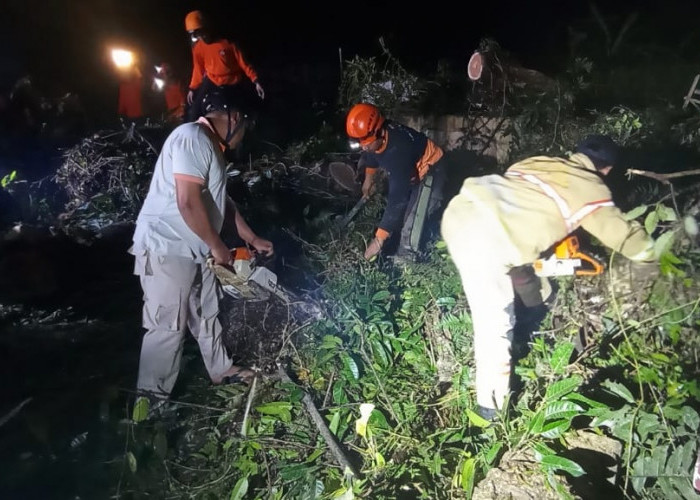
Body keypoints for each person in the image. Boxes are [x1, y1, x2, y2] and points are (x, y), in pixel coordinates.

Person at [440, 135, 658, 419]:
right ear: (607, 169)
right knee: (494, 324)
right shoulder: (591, 187)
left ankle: (536, 310)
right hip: (486, 239)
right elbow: (624, 237)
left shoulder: (538, 161)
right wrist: (656, 255)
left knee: (521, 267)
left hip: (460, 210)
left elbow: (522, 205)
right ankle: (490, 411)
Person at [129, 87, 274, 412]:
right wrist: (218, 246)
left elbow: (220, 201)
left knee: (206, 312)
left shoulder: (211, 149)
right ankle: (149, 407)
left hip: (194, 248)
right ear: (234, 118)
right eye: (245, 126)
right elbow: (187, 200)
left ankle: (221, 369)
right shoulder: (192, 137)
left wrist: (251, 238)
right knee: (167, 325)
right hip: (167, 246)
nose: (243, 136)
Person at [345, 103, 447, 261]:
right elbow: (372, 155)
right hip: (411, 172)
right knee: (398, 221)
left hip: (432, 170)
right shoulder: (378, 139)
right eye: (360, 142)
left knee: (410, 227)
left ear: (379, 132)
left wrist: (378, 241)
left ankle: (406, 265)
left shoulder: (397, 150)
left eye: (366, 142)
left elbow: (397, 199)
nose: (363, 148)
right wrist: (368, 180)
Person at [184, 10, 264, 122]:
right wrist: (192, 88)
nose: (202, 37)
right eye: (197, 35)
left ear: (207, 28)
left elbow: (243, 62)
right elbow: (198, 69)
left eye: (202, 32)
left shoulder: (227, 42)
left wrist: (255, 81)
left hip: (233, 80)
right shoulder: (198, 47)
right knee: (193, 110)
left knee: (247, 109)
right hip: (212, 79)